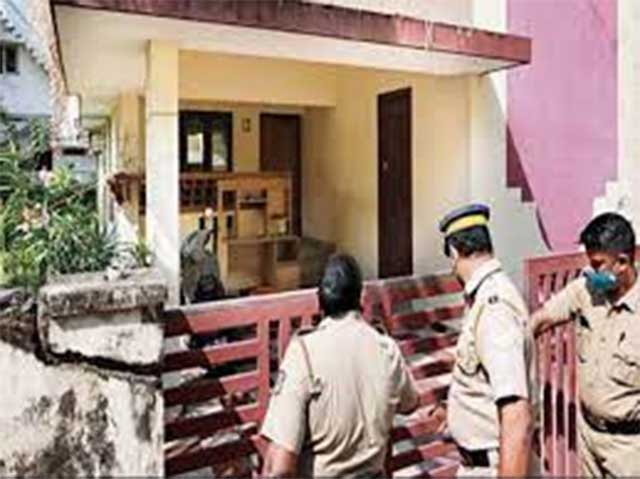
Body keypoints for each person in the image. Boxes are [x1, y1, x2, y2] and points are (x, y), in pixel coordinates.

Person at [260, 254, 420, 478]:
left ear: (319, 300)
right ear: (361, 298)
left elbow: (281, 465)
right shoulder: (386, 349)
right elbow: (411, 403)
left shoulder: (304, 353)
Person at [530, 212, 640, 477]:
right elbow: (540, 320)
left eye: (597, 264)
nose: (589, 271)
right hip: (588, 436)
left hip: (629, 448)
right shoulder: (586, 290)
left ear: (623, 262)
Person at [436, 203, 538, 477]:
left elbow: (516, 415)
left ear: (454, 252)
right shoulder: (485, 297)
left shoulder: (494, 307)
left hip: (493, 467)